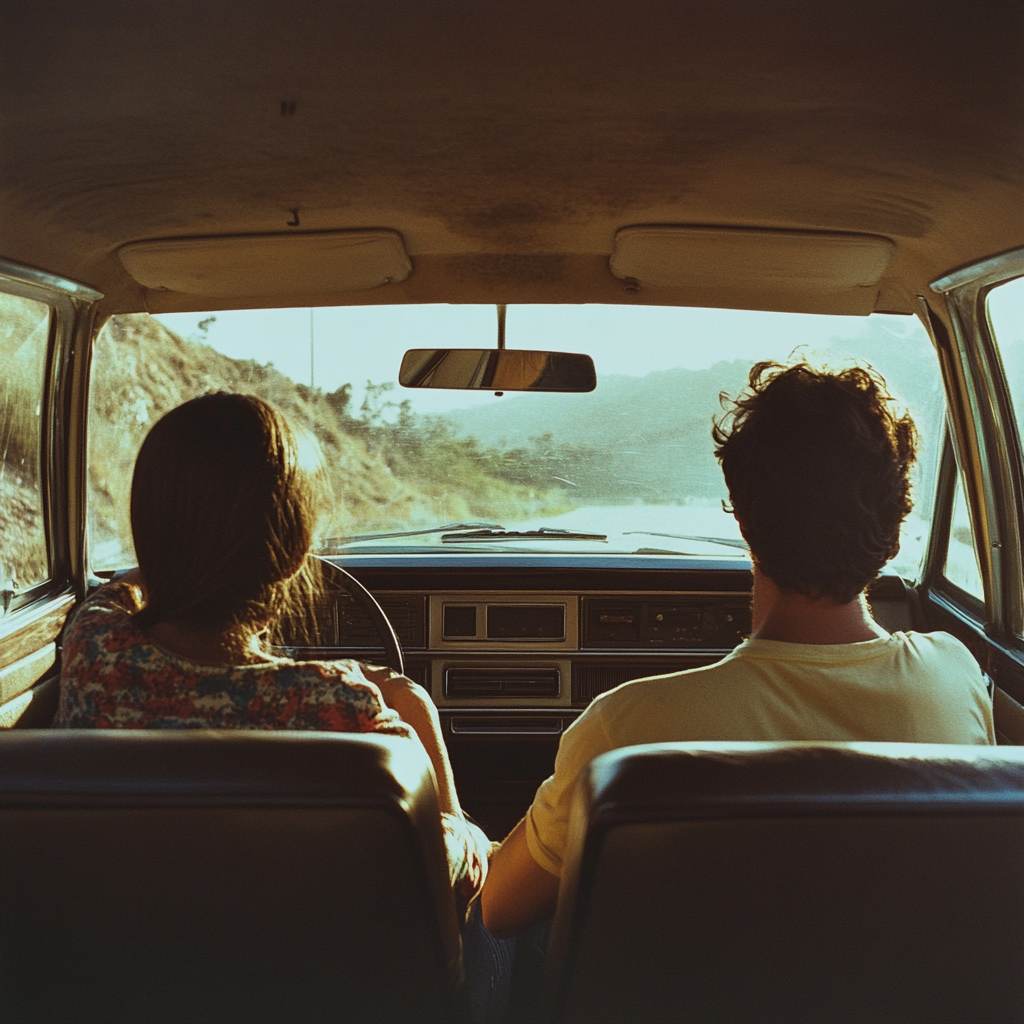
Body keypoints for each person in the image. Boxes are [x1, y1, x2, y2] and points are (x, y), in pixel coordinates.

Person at [480, 360, 996, 939]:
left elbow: (498, 912)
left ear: (745, 521)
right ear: (895, 533)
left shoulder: (625, 732)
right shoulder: (957, 675)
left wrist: (447, 802)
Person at [56, 392, 490, 923]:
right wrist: (416, 713)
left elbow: (124, 587)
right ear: (295, 553)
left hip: (130, 970)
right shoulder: (343, 708)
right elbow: (454, 877)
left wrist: (182, 545)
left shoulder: (94, 646)